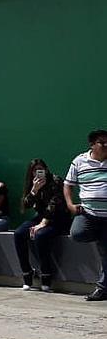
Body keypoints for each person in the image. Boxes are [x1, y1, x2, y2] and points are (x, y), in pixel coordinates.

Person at [65, 129, 107, 302]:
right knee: (77, 233)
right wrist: (70, 205)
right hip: (88, 214)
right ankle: (101, 237)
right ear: (92, 145)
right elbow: (68, 185)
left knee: (106, 253)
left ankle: (103, 288)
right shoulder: (79, 161)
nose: (106, 145)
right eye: (102, 142)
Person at [15, 158, 68, 292]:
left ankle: (46, 276)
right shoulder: (34, 184)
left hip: (57, 218)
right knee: (19, 233)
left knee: (40, 235)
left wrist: (43, 223)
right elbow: (25, 205)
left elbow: (54, 203)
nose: (38, 173)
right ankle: (27, 273)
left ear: (46, 169)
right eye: (35, 170)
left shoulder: (56, 180)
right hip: (40, 217)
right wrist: (34, 190)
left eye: (41, 169)